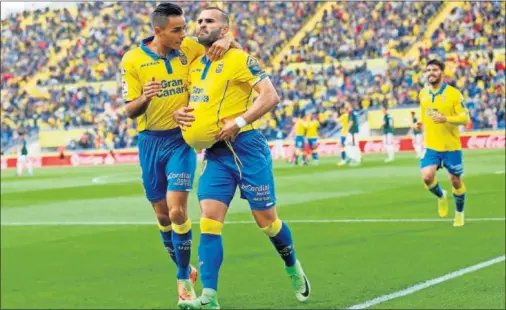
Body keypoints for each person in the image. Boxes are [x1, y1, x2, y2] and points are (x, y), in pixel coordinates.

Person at [174, 7, 310, 309]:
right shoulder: (195, 65)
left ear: (224, 30)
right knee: (208, 220)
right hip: (216, 155)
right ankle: (209, 297)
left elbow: (270, 96)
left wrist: (238, 122)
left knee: (267, 221)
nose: (201, 24)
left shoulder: (239, 59)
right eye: (199, 21)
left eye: (209, 20)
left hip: (247, 149)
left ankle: (292, 266)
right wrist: (178, 113)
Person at [120, 3, 232, 307]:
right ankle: (186, 270)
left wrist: (226, 40)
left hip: (180, 141)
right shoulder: (133, 60)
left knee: (178, 211)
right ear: (158, 31)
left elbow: (224, 46)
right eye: (177, 30)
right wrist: (146, 96)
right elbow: (129, 111)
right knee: (162, 216)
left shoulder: (190, 48)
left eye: (185, 27)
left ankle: (183, 280)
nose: (185, 34)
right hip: (149, 143)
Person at [417, 59, 470, 227]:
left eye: (434, 70)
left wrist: (446, 118)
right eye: (428, 70)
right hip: (431, 145)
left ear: (442, 73)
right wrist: (419, 122)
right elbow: (424, 113)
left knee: (455, 180)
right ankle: (441, 196)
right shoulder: (423, 94)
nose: (430, 73)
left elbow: (465, 118)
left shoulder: (454, 94)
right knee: (427, 177)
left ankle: (459, 213)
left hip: (451, 147)